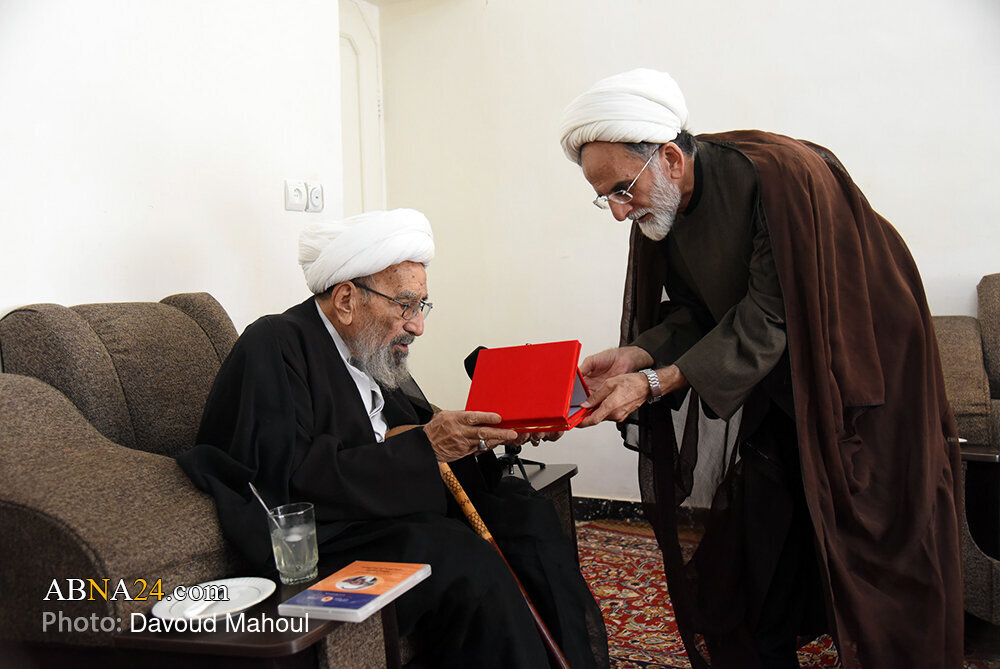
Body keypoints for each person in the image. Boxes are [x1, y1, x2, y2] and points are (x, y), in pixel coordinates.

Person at [557, 69, 962, 669]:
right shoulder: (660, 205)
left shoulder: (779, 178)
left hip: (862, 373)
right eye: (605, 198)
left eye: (621, 190)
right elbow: (700, 311)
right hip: (777, 376)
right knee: (762, 537)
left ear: (670, 158)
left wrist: (654, 382)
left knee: (873, 539)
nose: (619, 212)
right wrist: (640, 353)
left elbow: (772, 313)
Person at [177, 209, 609, 669]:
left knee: (527, 516)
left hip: (394, 508)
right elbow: (290, 479)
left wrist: (491, 433)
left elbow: (404, 436)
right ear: (346, 299)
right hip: (334, 533)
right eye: (405, 305)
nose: (418, 325)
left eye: (421, 306)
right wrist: (424, 447)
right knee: (463, 558)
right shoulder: (275, 342)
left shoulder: (370, 352)